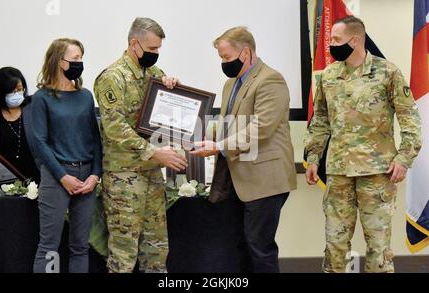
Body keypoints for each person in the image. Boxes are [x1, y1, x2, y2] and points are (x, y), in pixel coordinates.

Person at [304, 16, 422, 273]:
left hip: (377, 173)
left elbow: (410, 120)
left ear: (355, 39)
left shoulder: (387, 72)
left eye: (336, 40)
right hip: (338, 172)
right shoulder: (328, 75)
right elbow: (321, 119)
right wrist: (313, 157)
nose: (331, 45)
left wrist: (403, 159)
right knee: (335, 244)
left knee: (378, 248)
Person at [191, 26, 297, 273]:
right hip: (240, 179)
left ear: (246, 52)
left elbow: (261, 128)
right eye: (221, 58)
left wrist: (218, 147)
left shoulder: (271, 79)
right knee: (241, 245)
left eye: (226, 58)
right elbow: (229, 126)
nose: (223, 63)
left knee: (260, 247)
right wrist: (189, 130)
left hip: (265, 180)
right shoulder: (232, 83)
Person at [94, 17, 187, 273]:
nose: (156, 54)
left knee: (156, 249)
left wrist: (172, 88)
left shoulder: (154, 74)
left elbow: (166, 110)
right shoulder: (112, 77)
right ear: (134, 44)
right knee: (124, 253)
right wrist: (154, 152)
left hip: (152, 174)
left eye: (158, 49)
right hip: (125, 176)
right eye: (152, 49)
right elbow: (115, 127)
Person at [32, 38, 103, 273]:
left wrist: (95, 175)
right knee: (49, 246)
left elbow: (95, 139)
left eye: (81, 58)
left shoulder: (85, 96)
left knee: (80, 246)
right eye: (74, 59)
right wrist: (62, 176)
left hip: (86, 178)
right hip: (56, 175)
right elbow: (40, 142)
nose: (79, 63)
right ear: (58, 61)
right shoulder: (42, 97)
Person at [0, 67, 40, 195]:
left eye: (19, 89)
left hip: (35, 184)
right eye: (11, 91)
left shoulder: (34, 106)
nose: (17, 94)